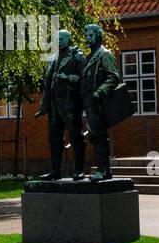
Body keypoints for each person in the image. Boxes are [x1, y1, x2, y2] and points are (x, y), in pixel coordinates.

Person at [34, 28, 85, 179]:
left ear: (68, 40)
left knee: (75, 136)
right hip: (54, 105)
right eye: (56, 40)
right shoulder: (53, 58)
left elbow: (85, 78)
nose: (58, 42)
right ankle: (56, 171)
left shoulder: (77, 56)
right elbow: (47, 84)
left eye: (61, 39)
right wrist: (43, 107)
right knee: (54, 138)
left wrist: (69, 78)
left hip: (69, 103)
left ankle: (79, 169)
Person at [78, 23, 120, 181]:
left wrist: (99, 92)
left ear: (98, 36)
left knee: (99, 136)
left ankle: (103, 170)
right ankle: (104, 170)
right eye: (86, 35)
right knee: (95, 136)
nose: (87, 38)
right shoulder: (90, 57)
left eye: (90, 35)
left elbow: (113, 77)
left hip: (99, 102)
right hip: (90, 103)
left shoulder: (104, 54)